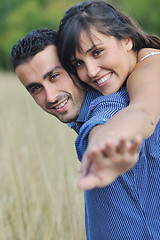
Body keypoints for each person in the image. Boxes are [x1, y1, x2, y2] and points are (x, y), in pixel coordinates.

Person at [10, 29, 160, 240]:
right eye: (36, 88)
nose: (50, 96)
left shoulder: (113, 106)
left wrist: (102, 145)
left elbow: (104, 127)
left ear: (76, 67)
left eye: (54, 76)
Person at [57, 0, 160, 187]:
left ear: (126, 40)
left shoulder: (151, 66)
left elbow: (144, 111)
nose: (91, 71)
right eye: (78, 63)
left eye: (97, 52)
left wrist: (109, 138)